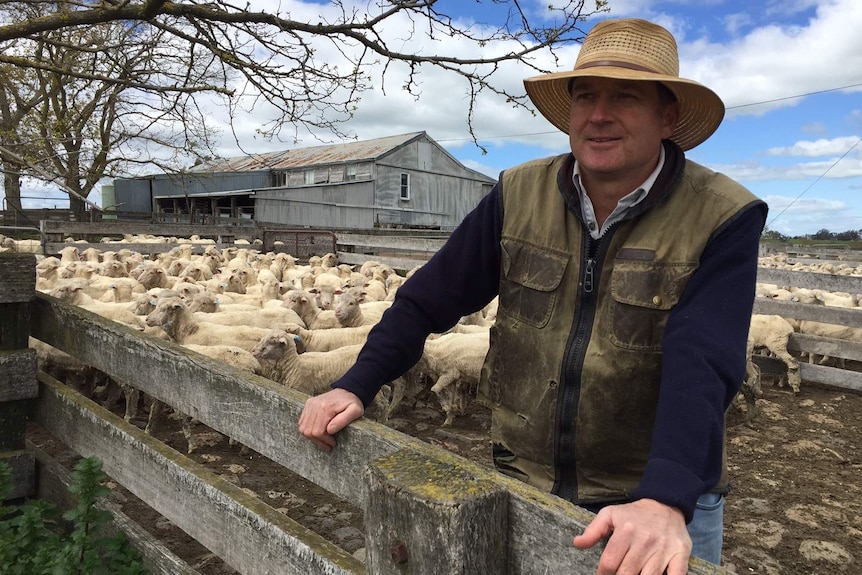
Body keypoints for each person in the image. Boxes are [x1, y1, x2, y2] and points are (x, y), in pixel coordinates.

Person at [299, 17, 767, 574]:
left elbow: (703, 356)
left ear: (668, 116)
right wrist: (356, 383)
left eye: (625, 97)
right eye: (586, 95)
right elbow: (429, 297)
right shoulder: (519, 193)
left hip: (650, 501)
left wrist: (666, 496)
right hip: (523, 475)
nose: (599, 115)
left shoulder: (722, 215)